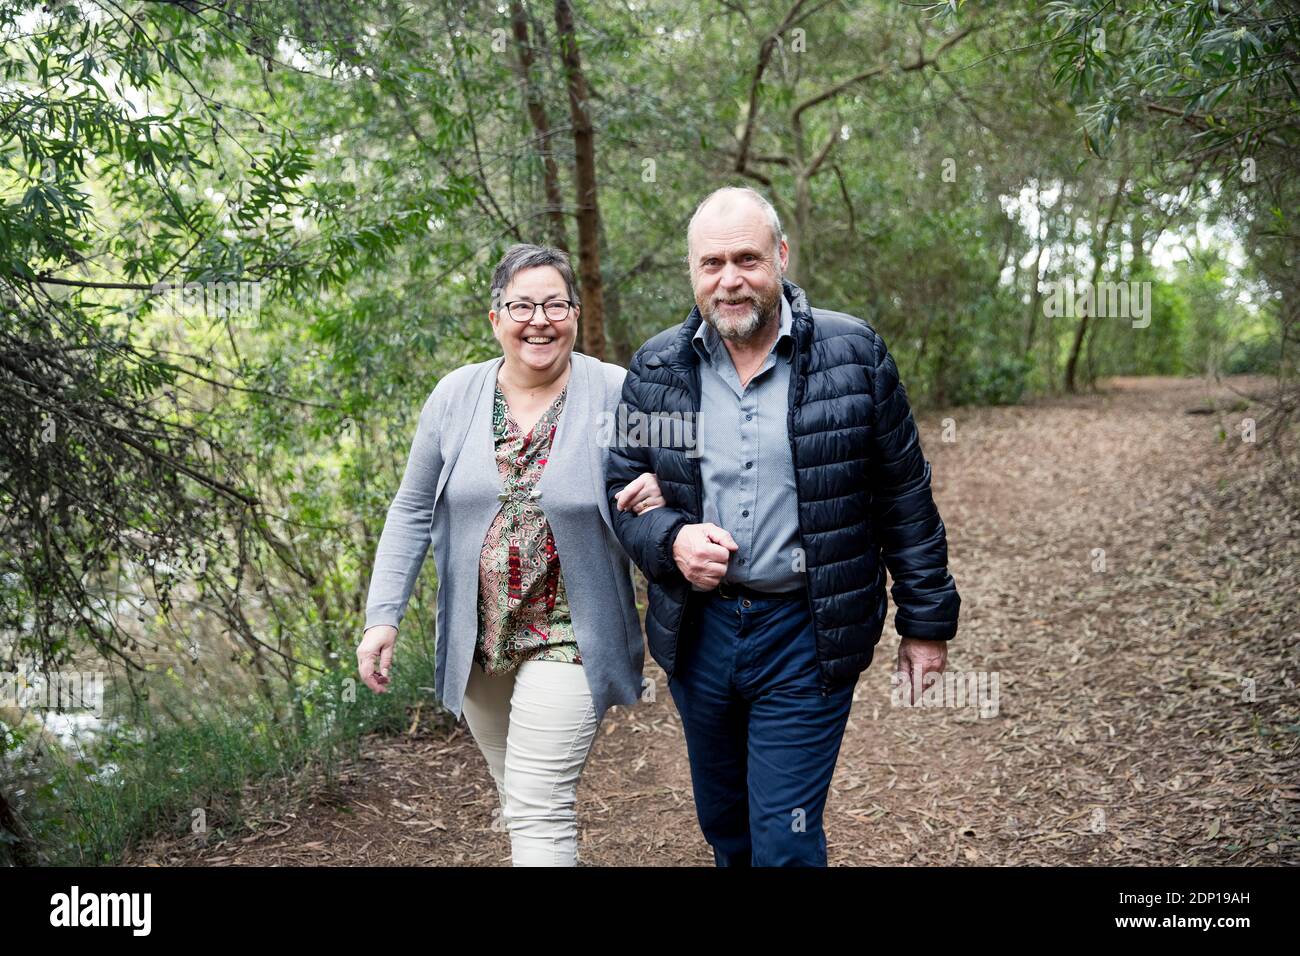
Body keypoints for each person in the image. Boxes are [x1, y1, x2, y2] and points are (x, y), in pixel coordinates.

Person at [605, 186, 961, 867]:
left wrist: (926, 622)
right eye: (712, 263)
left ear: (781, 257)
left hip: (807, 630)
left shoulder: (853, 354)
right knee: (727, 828)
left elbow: (904, 496)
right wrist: (672, 539)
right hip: (699, 633)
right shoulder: (656, 369)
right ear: (692, 271)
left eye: (747, 259)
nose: (730, 279)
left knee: (784, 842)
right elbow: (619, 492)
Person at [358, 243, 664, 866]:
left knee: (536, 803)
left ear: (576, 314)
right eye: (522, 304)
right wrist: (382, 616)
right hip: (481, 639)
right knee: (519, 798)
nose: (539, 319)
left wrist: (667, 485)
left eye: (555, 303)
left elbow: (689, 469)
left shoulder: (616, 392)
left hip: (572, 635)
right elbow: (412, 509)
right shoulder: (455, 396)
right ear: (494, 318)